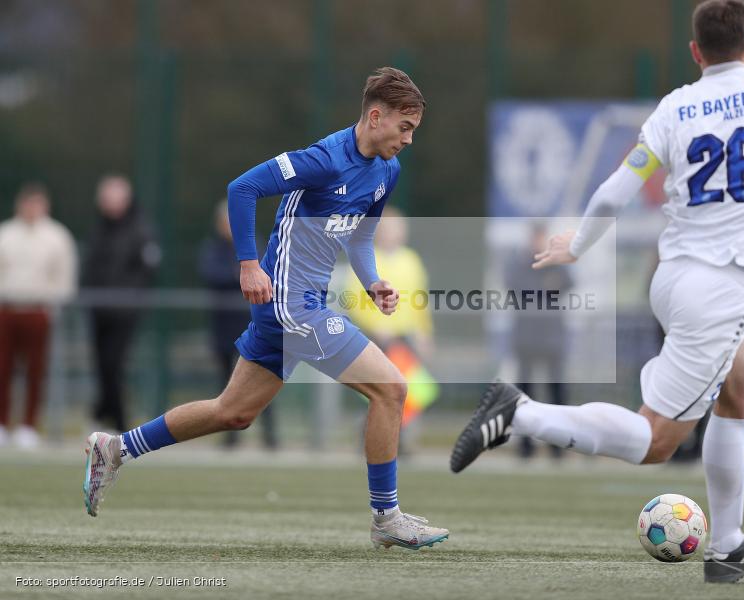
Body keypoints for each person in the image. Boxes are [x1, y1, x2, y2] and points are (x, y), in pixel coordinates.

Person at [450, 0, 744, 583]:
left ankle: (726, 547)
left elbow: (615, 193)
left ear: (696, 52)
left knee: (741, 392)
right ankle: (520, 413)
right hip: (722, 289)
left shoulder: (675, 106)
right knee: (655, 441)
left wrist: (578, 245)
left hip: (672, 279)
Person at [83, 67, 449, 550]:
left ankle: (115, 447)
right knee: (391, 388)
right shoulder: (323, 159)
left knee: (232, 412)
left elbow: (360, 236)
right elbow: (242, 188)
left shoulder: (387, 170)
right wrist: (248, 264)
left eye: (414, 131)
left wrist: (373, 279)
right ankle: (387, 518)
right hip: (290, 304)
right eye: (404, 128)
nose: (408, 140)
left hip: (301, 306)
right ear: (376, 116)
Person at [343, 206, 438, 441]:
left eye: (398, 228)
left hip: (405, 338)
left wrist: (424, 333)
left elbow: (420, 300)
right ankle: (370, 437)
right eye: (389, 228)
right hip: (376, 339)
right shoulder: (366, 257)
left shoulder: (411, 260)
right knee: (379, 392)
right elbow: (353, 299)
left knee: (415, 390)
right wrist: (375, 326)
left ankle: (400, 438)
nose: (394, 233)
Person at [0, 183, 76, 448]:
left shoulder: (56, 236)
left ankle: (28, 426)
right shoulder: (6, 234)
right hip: (7, 308)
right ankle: (2, 424)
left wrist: (54, 304)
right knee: (3, 368)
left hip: (38, 309)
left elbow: (64, 276)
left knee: (35, 370)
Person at [82, 174, 160, 433]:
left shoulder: (140, 229)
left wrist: (129, 298)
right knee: (102, 365)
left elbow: (147, 270)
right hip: (98, 309)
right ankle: (103, 414)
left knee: (113, 365)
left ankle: (116, 422)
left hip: (124, 312)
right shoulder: (98, 228)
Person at [198, 200, 278, 450]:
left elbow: (267, 273)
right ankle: (230, 438)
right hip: (223, 326)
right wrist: (241, 274)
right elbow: (212, 274)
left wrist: (241, 274)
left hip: (253, 324)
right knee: (227, 383)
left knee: (263, 382)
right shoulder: (213, 247)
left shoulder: (257, 243)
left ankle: (271, 438)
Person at [504, 222, 573, 460]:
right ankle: (524, 446)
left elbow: (566, 282)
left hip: (551, 336)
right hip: (526, 336)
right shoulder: (519, 263)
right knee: (525, 393)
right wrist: (544, 286)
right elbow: (518, 286)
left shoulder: (555, 263)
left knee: (556, 391)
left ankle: (557, 445)